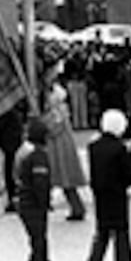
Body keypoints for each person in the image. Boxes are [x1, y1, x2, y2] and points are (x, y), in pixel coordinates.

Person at [15, 117, 71, 261]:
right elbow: (40, 182)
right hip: (34, 205)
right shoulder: (38, 154)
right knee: (38, 247)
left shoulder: (22, 150)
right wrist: (45, 202)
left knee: (39, 245)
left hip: (23, 202)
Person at [83, 108, 131, 261]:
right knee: (122, 238)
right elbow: (129, 175)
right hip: (117, 196)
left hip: (100, 195)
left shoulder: (93, 146)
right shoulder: (119, 148)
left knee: (101, 235)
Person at [43, 81, 88, 221]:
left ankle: (75, 208)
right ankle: (76, 207)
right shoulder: (61, 110)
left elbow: (52, 129)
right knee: (65, 182)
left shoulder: (56, 112)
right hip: (62, 148)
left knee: (60, 179)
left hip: (58, 149)